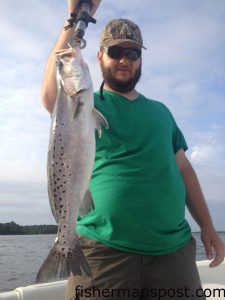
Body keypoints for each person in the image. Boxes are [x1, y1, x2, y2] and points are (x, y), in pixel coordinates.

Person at [41, 1, 224, 299]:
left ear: (140, 60)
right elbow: (52, 95)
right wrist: (73, 20)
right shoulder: (86, 104)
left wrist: (207, 225)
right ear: (99, 57)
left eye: (132, 53)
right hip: (101, 252)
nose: (124, 60)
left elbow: (184, 170)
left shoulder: (162, 112)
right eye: (115, 52)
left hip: (173, 252)